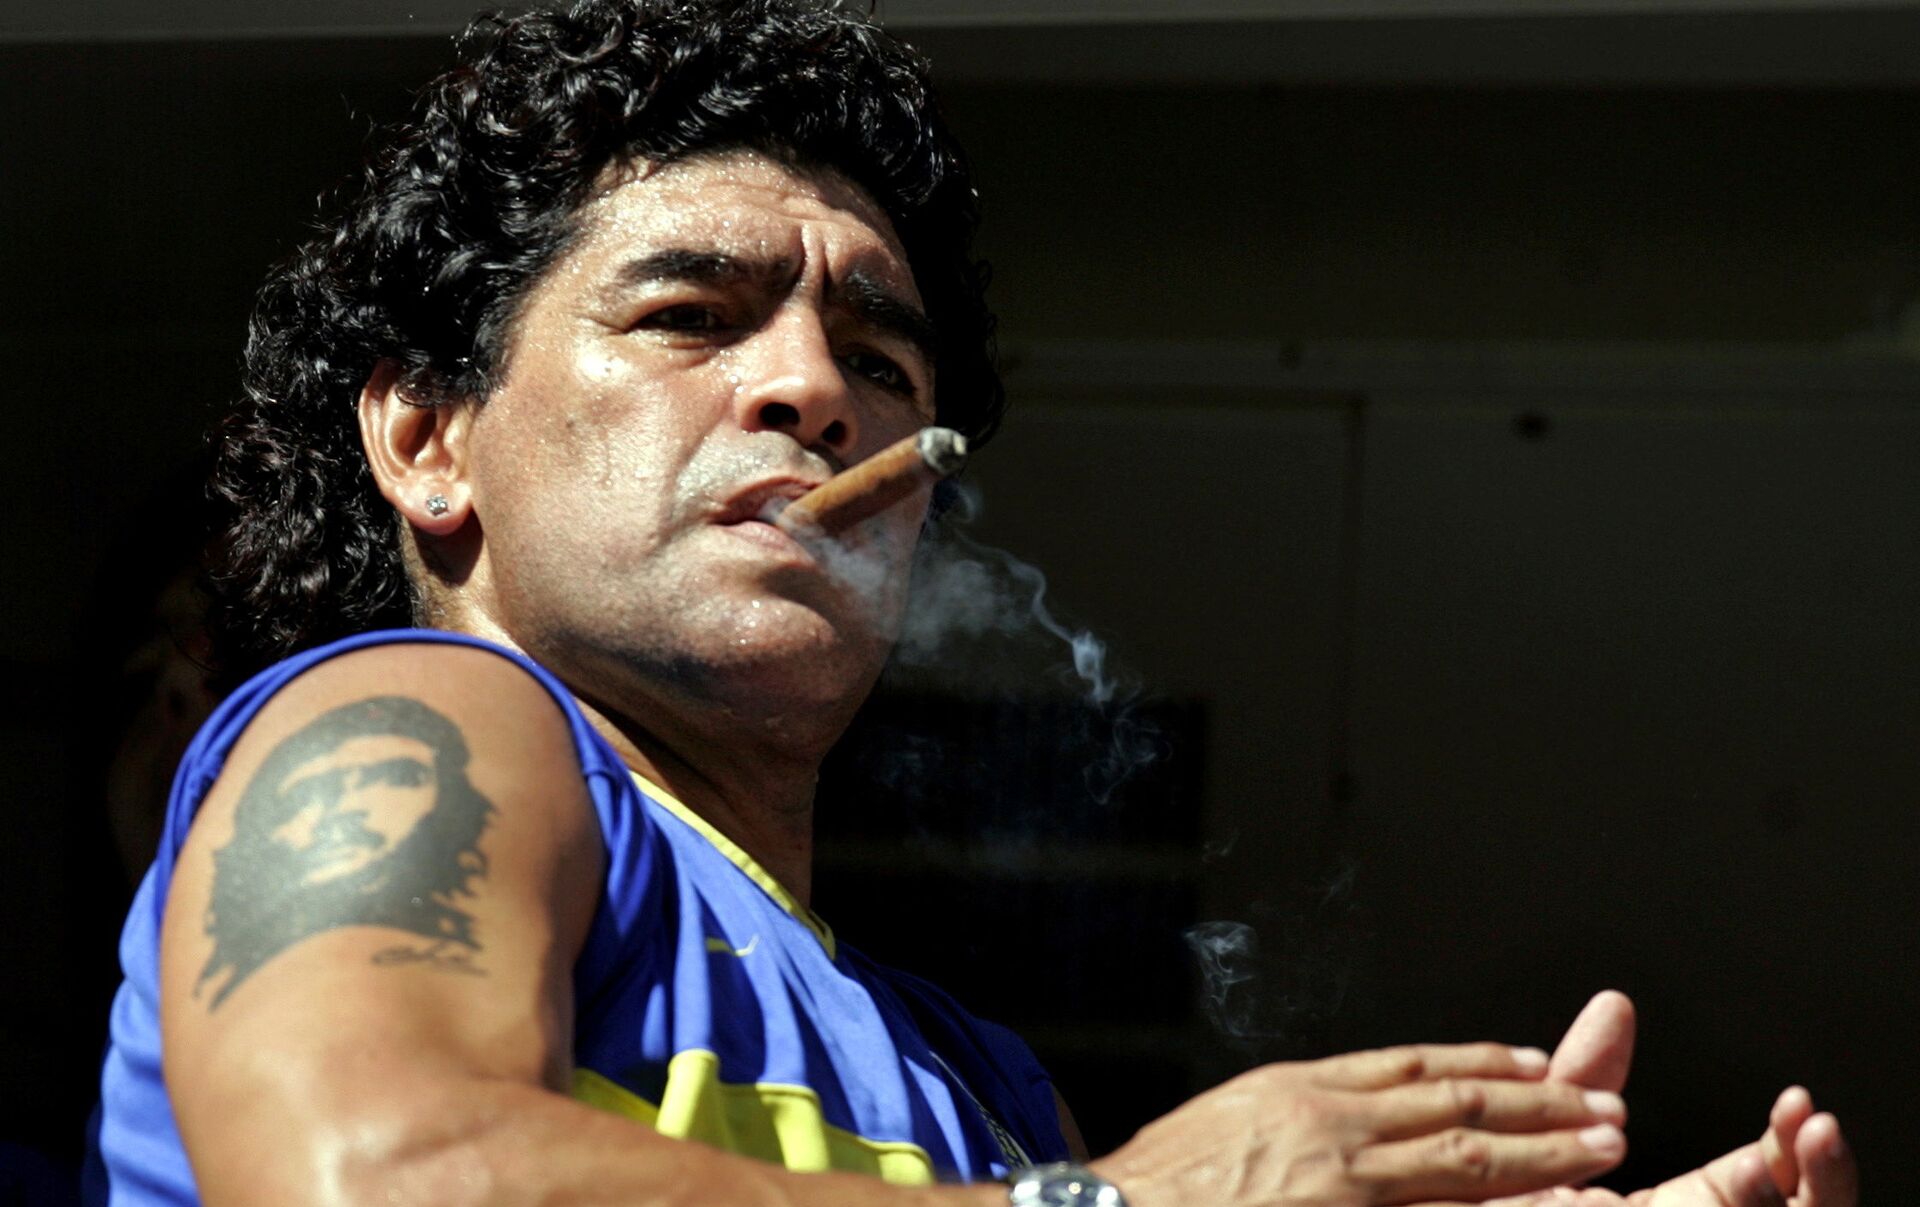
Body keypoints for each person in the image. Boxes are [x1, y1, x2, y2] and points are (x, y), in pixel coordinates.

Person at [90, 2, 1858, 1205]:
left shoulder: (984, 1092)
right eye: (689, 317)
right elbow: (368, 1173)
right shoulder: (418, 724)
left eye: (879, 358)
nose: (815, 393)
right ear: (426, 438)